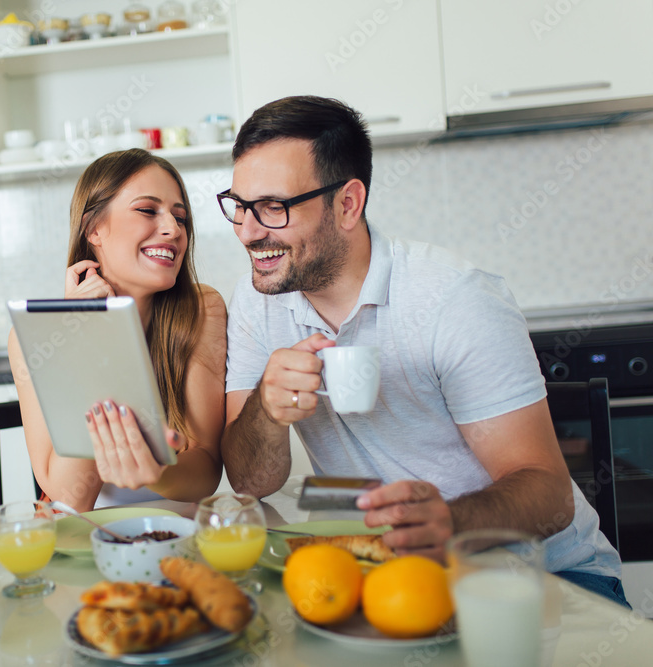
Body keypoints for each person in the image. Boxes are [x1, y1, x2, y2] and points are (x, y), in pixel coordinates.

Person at [219, 95, 628, 607]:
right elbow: (250, 481)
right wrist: (265, 409)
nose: (249, 232)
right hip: (396, 581)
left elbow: (549, 492)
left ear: (347, 203)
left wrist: (452, 522)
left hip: (548, 581)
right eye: (239, 207)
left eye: (273, 208)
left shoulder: (454, 300)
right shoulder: (258, 302)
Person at [9, 149, 227, 512]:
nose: (173, 230)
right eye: (147, 210)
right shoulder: (38, 336)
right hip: (90, 533)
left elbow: (206, 473)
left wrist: (154, 472)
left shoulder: (201, 310)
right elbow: (70, 498)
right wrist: (86, 339)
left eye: (180, 217)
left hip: (181, 525)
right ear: (94, 228)